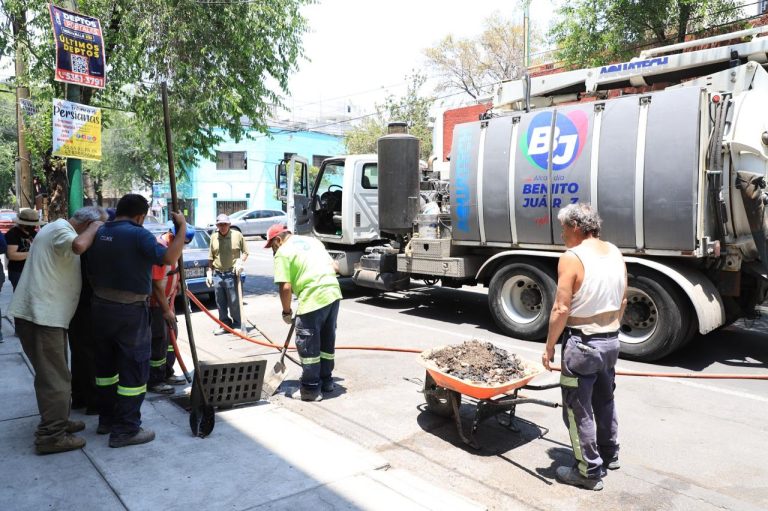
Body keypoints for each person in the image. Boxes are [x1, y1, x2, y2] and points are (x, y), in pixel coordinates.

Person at [87, 194, 186, 448]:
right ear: (141, 216)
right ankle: (126, 430)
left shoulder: (99, 231)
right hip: (129, 311)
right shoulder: (138, 234)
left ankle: (107, 420)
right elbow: (169, 259)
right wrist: (182, 227)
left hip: (99, 308)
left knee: (106, 370)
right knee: (133, 370)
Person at [542, 203, 627, 491]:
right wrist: (610, 330)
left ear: (576, 227)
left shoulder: (572, 257)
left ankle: (588, 471)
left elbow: (561, 306)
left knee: (578, 410)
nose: (563, 234)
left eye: (564, 228)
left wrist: (550, 346)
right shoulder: (615, 252)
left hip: (582, 344)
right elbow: (623, 300)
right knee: (605, 399)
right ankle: (609, 452)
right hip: (611, 341)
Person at [8, 206, 105, 454]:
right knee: (55, 380)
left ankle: (58, 421)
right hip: (42, 317)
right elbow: (78, 246)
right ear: (87, 223)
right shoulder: (62, 230)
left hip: (47, 316)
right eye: (96, 227)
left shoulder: (55, 229)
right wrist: (96, 228)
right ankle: (51, 435)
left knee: (56, 374)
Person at [265, 223, 342, 402]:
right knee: (326, 340)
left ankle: (310, 389)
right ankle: (326, 381)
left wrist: (286, 311)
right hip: (332, 292)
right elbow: (334, 266)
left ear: (278, 240)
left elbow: (285, 286)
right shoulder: (312, 241)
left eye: (272, 246)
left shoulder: (283, 252)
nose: (273, 251)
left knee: (307, 343)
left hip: (314, 296)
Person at [148, 221, 195, 394]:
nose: (183, 247)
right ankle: (155, 380)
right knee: (159, 340)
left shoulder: (174, 249)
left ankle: (167, 371)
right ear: (172, 236)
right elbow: (156, 284)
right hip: (156, 305)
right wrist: (166, 310)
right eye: (182, 242)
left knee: (171, 338)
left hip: (168, 303)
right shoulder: (160, 250)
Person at [206, 214, 248, 334]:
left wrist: (240, 261)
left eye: (225, 224)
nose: (223, 227)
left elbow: (245, 252)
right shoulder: (213, 237)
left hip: (232, 274)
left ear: (229, 224)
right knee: (220, 302)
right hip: (218, 274)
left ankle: (237, 324)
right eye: (220, 224)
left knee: (234, 301)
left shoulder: (237, 235)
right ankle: (224, 325)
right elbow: (211, 257)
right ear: (217, 225)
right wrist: (209, 272)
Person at [6, 208, 44, 290]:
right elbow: (11, 255)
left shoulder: (33, 233)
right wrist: (33, 252)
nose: (33, 226)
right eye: (30, 224)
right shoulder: (12, 234)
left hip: (34, 270)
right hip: (18, 271)